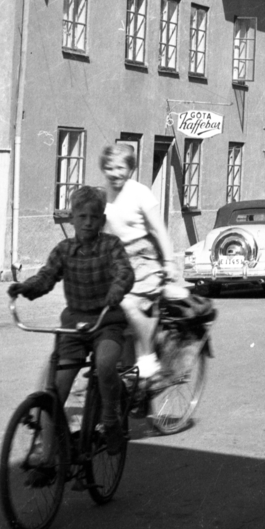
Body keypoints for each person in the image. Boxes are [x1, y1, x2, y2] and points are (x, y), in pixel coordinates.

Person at [9, 185, 133, 458]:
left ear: (101, 220)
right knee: (56, 388)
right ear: (72, 218)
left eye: (94, 217)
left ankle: (110, 419)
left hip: (106, 322)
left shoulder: (111, 246)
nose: (88, 222)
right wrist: (25, 288)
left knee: (104, 364)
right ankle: (46, 454)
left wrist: (117, 289)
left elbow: (124, 272)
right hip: (74, 326)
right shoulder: (63, 249)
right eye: (82, 217)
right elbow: (46, 277)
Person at [99, 143, 188, 380]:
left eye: (120, 167)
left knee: (127, 304)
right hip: (116, 261)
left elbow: (158, 230)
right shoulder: (102, 194)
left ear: (130, 169)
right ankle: (125, 373)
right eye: (109, 168)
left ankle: (148, 356)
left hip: (144, 259)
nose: (115, 173)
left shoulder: (139, 193)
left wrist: (169, 262)